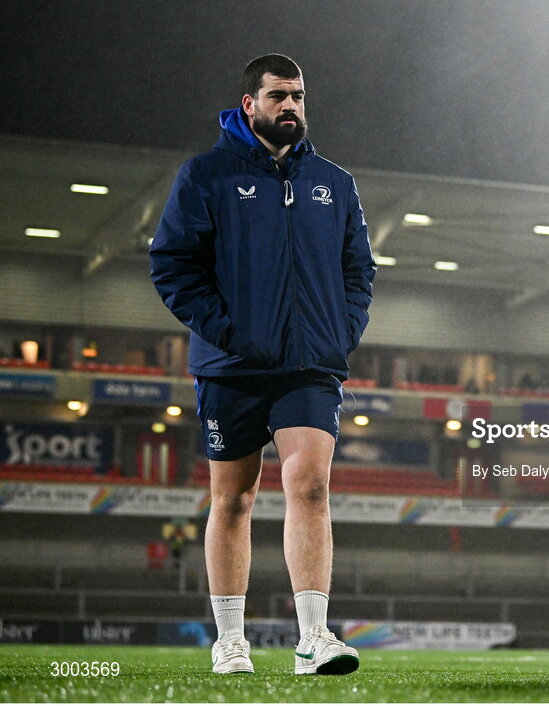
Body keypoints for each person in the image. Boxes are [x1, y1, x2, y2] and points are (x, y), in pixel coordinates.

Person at [150, 53, 375, 676]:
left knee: (311, 486)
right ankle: (230, 640)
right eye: (279, 96)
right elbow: (172, 266)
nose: (292, 106)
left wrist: (343, 330)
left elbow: (359, 270)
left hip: (310, 365)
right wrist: (230, 333)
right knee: (234, 499)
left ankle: (314, 639)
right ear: (250, 104)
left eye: (299, 96)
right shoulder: (205, 176)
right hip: (231, 366)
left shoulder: (335, 182)